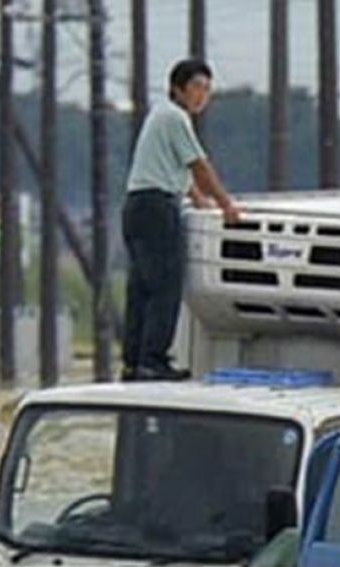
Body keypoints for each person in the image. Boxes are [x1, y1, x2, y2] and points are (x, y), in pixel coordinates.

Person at [122, 58, 242, 382]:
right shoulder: (176, 117)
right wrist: (226, 205)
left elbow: (176, 169)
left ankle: (134, 359)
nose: (202, 96)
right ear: (178, 89)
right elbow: (199, 165)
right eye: (196, 88)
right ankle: (153, 359)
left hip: (137, 204)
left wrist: (196, 199)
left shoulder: (159, 116)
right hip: (157, 207)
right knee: (165, 285)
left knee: (141, 287)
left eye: (207, 89)